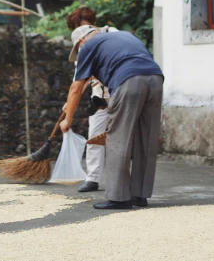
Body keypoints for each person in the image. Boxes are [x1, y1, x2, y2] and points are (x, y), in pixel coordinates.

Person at [61, 27, 163, 210]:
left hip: (129, 80)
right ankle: (140, 195)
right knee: (146, 139)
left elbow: (76, 88)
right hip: (155, 79)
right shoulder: (123, 36)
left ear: (80, 42)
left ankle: (119, 198)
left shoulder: (87, 47)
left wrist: (67, 120)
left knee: (118, 139)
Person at [66, 7, 117, 193]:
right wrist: (71, 100)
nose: (83, 31)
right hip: (98, 96)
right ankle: (92, 178)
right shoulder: (81, 47)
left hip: (119, 91)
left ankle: (119, 179)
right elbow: (79, 79)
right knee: (94, 137)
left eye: (85, 26)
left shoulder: (112, 34)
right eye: (78, 27)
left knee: (120, 137)